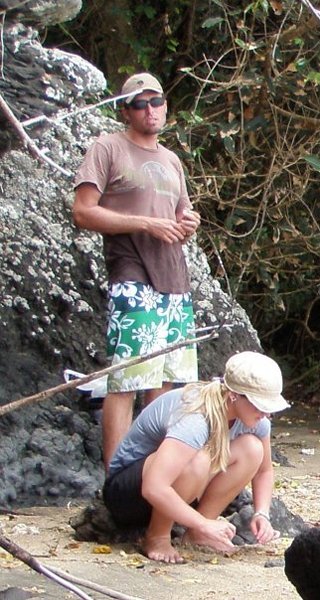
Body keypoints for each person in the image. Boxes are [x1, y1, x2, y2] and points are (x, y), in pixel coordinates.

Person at [72, 72, 202, 471]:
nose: (151, 110)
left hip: (173, 276)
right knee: (126, 381)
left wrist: (187, 221)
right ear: (126, 110)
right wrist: (144, 223)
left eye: (157, 101)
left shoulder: (171, 159)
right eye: (141, 103)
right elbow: (83, 211)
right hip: (131, 273)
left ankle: (153, 474)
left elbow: (179, 212)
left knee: (165, 385)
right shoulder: (107, 147)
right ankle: (114, 476)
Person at [102, 351, 290, 564]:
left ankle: (197, 534)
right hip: (127, 494)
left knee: (252, 449)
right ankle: (157, 536)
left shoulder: (257, 421)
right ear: (233, 395)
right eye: (260, 406)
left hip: (171, 490)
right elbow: (154, 486)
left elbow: (264, 470)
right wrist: (203, 522)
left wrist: (261, 513)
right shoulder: (196, 417)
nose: (265, 414)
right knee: (198, 461)